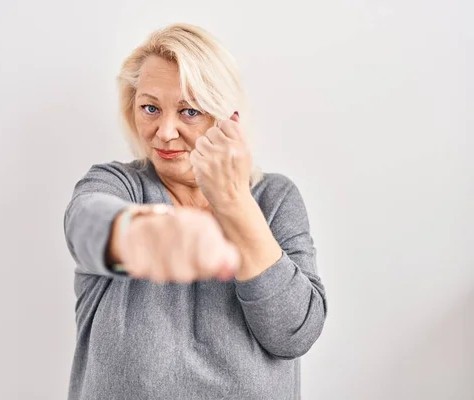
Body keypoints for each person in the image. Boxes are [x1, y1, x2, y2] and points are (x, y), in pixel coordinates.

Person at [63, 23, 327, 400]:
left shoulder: (275, 198)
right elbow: (86, 224)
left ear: (226, 120)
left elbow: (294, 332)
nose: (164, 131)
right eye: (150, 108)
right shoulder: (118, 185)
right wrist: (143, 235)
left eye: (189, 111)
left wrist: (234, 202)